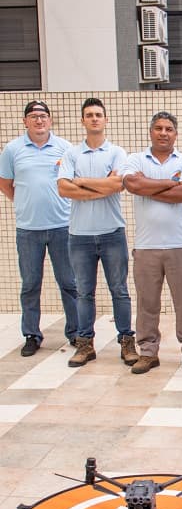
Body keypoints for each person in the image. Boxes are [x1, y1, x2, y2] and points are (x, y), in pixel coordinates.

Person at [121, 111, 182, 374]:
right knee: (147, 301)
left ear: (175, 134)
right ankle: (147, 351)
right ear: (151, 132)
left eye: (169, 129)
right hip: (146, 246)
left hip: (180, 244)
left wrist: (150, 186)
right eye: (158, 128)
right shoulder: (135, 159)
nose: (163, 133)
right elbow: (132, 184)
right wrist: (171, 182)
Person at [57, 98, 138, 368]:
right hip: (79, 236)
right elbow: (63, 189)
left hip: (112, 232)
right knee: (84, 292)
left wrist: (80, 181)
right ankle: (85, 344)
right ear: (82, 120)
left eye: (98, 115)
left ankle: (126, 342)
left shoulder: (117, 153)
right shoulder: (71, 154)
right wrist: (100, 185)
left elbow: (118, 185)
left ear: (105, 119)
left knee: (120, 290)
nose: (94, 118)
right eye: (89, 115)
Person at [0, 100, 78, 356]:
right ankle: (32, 334)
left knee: (69, 283)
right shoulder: (12, 150)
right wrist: (25, 203)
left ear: (50, 120)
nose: (39, 120)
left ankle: (76, 333)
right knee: (30, 284)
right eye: (33, 116)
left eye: (43, 115)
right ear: (25, 121)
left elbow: (73, 183)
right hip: (28, 230)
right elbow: (6, 184)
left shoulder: (65, 148)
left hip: (62, 226)